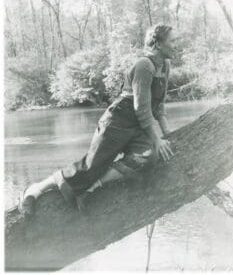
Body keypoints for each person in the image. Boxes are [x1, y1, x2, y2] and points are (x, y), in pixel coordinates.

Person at [18, 23, 175, 216]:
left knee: (147, 156)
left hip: (137, 126)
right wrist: (157, 138)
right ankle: (35, 190)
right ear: (158, 44)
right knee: (90, 167)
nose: (175, 45)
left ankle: (93, 188)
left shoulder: (165, 65)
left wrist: (167, 134)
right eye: (171, 41)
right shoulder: (145, 65)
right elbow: (141, 108)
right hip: (118, 121)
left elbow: (158, 106)